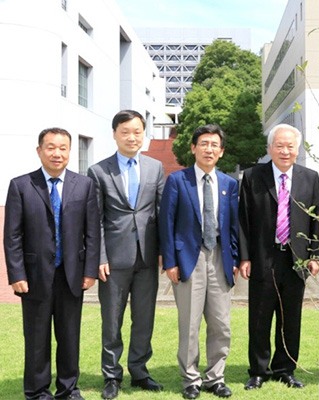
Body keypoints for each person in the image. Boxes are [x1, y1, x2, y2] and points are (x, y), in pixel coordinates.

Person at [4, 128, 100, 400]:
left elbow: (92, 232)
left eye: (63, 148)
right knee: (36, 338)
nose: (57, 153)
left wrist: (90, 270)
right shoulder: (21, 185)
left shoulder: (84, 185)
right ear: (39, 151)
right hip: (34, 276)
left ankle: (68, 390)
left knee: (69, 336)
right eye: (51, 147)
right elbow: (12, 235)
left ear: (70, 151)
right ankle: (37, 391)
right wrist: (17, 273)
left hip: (72, 274)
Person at [87, 110, 165, 399]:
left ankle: (140, 372)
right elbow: (95, 219)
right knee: (112, 321)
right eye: (125, 132)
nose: (132, 137)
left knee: (144, 319)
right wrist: (100, 256)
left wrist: (164, 252)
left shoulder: (155, 167)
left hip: (147, 257)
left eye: (137, 131)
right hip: (114, 259)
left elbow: (161, 212)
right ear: (115, 134)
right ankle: (111, 375)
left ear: (144, 134)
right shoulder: (98, 171)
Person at [239, 124, 319, 390]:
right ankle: (258, 371)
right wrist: (245, 257)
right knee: (260, 317)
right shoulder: (253, 176)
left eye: (290, 146)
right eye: (279, 146)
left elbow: (316, 218)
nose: (285, 151)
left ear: (298, 149)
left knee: (291, 319)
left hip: (296, 260)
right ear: (270, 148)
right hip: (263, 257)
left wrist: (315, 254)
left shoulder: (310, 178)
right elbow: (243, 220)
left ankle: (286, 369)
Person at [159, 124, 239, 399]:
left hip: (220, 257)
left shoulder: (229, 184)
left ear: (221, 151)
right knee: (190, 324)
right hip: (187, 259)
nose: (209, 149)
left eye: (214, 145)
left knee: (221, 324)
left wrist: (234, 259)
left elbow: (232, 226)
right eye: (203, 144)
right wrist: (170, 262)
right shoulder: (177, 180)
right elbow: (166, 222)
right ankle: (191, 380)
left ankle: (215, 378)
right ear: (193, 148)